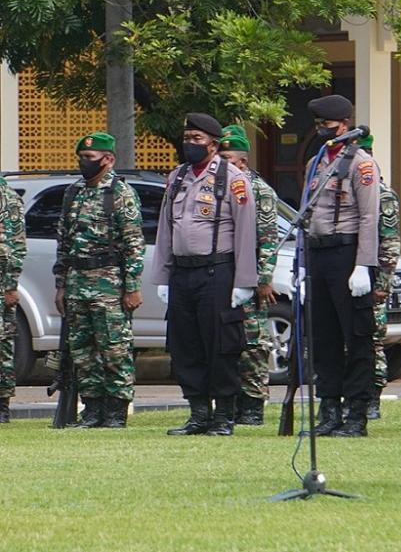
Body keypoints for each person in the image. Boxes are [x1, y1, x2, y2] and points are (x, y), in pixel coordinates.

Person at [150, 113, 258, 436]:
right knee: (186, 345)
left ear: (213, 144)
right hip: (183, 274)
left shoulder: (233, 178)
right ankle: (198, 413)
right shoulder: (177, 177)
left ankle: (223, 416)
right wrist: (163, 275)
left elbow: (246, 233)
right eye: (187, 139)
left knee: (221, 346)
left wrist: (244, 282)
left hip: (217, 271)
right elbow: (165, 229)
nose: (190, 145)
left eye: (197, 139)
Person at [51, 133, 144, 428]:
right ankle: (91, 410)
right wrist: (61, 285)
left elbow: (133, 245)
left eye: (90, 158)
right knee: (83, 350)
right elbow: (63, 242)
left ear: (108, 159)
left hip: (109, 283)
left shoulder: (120, 193)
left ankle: (116, 412)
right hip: (77, 281)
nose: (83, 162)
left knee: (114, 348)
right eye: (81, 157)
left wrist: (132, 287)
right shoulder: (73, 192)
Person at [302, 94, 381, 438]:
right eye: (318, 124)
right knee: (325, 338)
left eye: (327, 125)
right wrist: (305, 265)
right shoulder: (316, 163)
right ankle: (329, 409)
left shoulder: (361, 164)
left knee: (357, 337)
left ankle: (357, 414)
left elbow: (368, 217)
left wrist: (363, 264)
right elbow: (307, 216)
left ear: (345, 125)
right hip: (319, 255)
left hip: (347, 255)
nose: (321, 130)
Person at [218, 126, 279, 426]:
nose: (222, 161)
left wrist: (263, 278)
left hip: (251, 278)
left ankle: (253, 403)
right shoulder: (217, 186)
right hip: (223, 274)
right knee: (227, 341)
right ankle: (230, 401)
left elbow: (268, 239)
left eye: (227, 157)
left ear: (242, 162)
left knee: (253, 343)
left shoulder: (260, 191)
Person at [356, 130, 401, 420]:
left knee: (373, 339)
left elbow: (390, 241)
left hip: (373, 277)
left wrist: (383, 283)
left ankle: (372, 397)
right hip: (348, 276)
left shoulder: (383, 195)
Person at [0, 174, 26, 424]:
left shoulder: (8, 199)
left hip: (1, 282)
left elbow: (16, 246)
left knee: (2, 347)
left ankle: (2, 405)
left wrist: (10, 285)